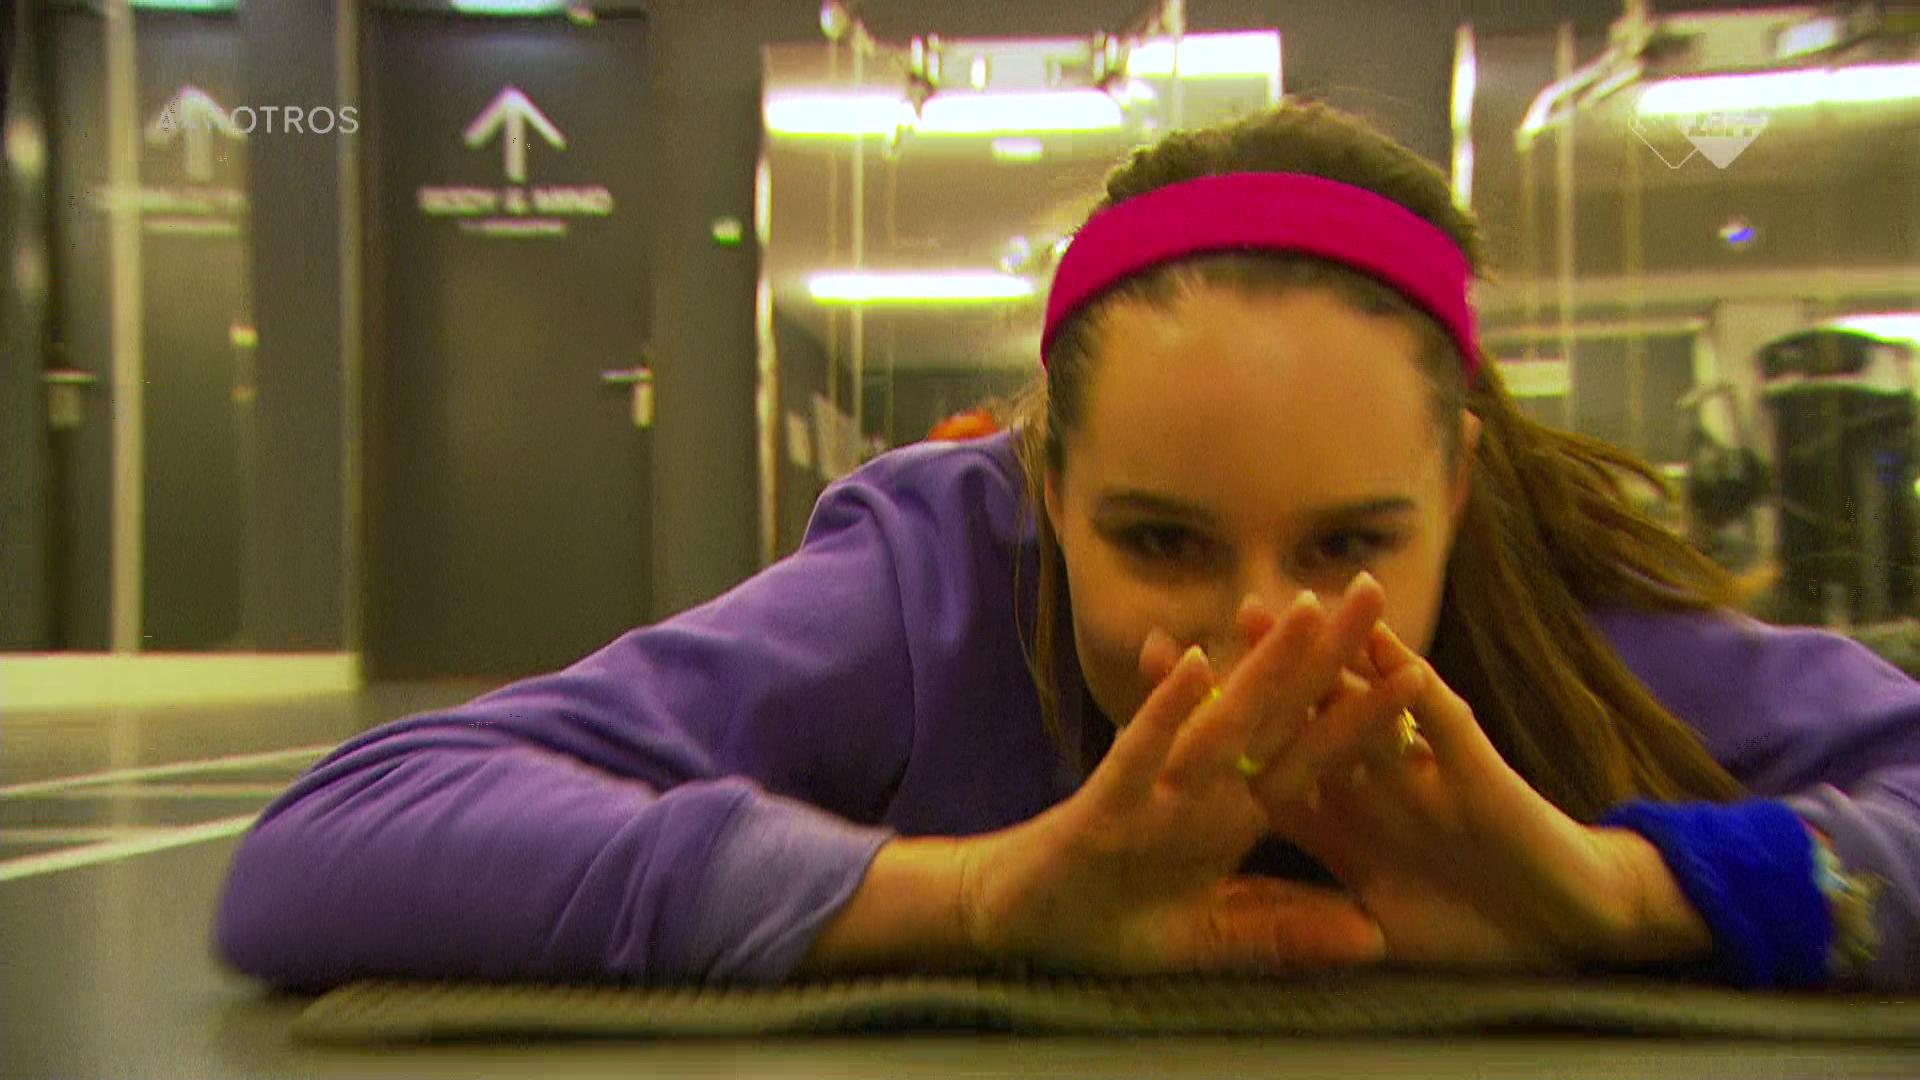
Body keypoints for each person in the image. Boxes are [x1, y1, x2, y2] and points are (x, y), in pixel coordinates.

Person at [215, 102, 1913, 991]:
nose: (1259, 634)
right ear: (1043, 481)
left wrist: (1624, 893)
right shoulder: (933, 589)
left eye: (1350, 544)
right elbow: (340, 839)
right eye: (1162, 540)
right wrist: (973, 896)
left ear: (1460, 494)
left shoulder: (1550, 617)